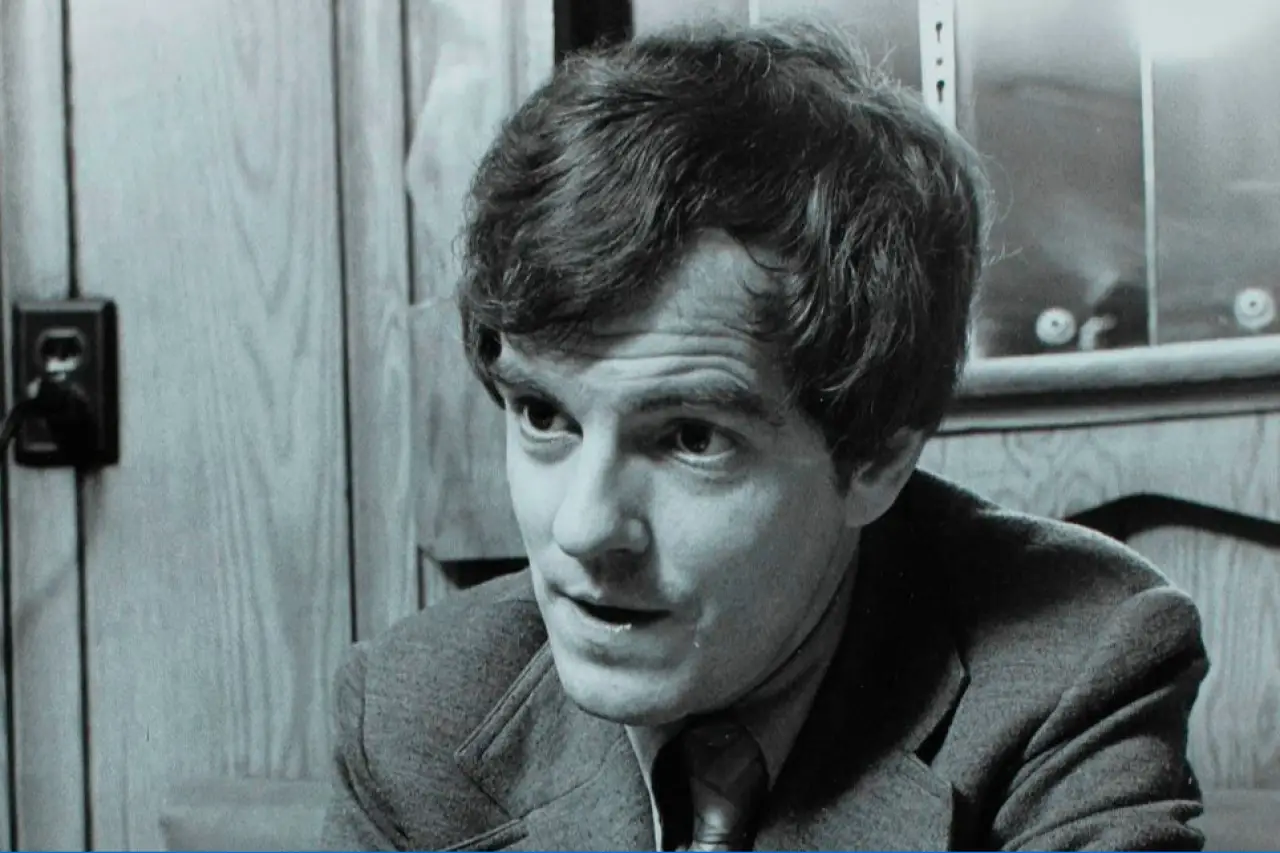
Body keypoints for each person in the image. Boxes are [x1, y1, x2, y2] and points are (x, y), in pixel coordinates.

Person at [321, 17, 1208, 852]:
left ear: (877, 458)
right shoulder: (415, 713)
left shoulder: (1072, 662)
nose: (583, 528)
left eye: (690, 437)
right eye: (544, 416)